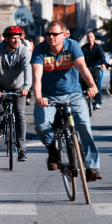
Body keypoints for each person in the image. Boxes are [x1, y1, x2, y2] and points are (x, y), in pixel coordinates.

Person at [31, 20, 102, 182]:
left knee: (83, 126)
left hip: (73, 95)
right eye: (48, 34)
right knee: (41, 126)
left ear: (65, 35)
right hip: (48, 97)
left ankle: (92, 166)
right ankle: (53, 151)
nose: (51, 37)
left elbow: (82, 68)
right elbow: (36, 77)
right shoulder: (40, 50)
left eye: (55, 34)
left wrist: (92, 86)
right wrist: (38, 98)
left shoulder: (72, 46)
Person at [0, 26, 31, 161]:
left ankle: (22, 149)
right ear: (6, 38)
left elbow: (27, 69)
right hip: (1, 85)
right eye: (13, 38)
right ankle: (0, 124)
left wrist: (26, 87)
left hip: (19, 87)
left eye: (18, 38)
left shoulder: (24, 51)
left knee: (20, 114)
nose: (16, 41)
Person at [81, 32, 107, 109]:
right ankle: (84, 96)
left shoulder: (98, 47)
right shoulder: (83, 48)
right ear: (87, 39)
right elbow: (80, 58)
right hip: (87, 68)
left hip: (96, 68)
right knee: (83, 82)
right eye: (88, 37)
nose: (90, 39)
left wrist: (103, 64)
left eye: (91, 37)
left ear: (94, 38)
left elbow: (102, 56)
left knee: (97, 83)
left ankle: (97, 102)